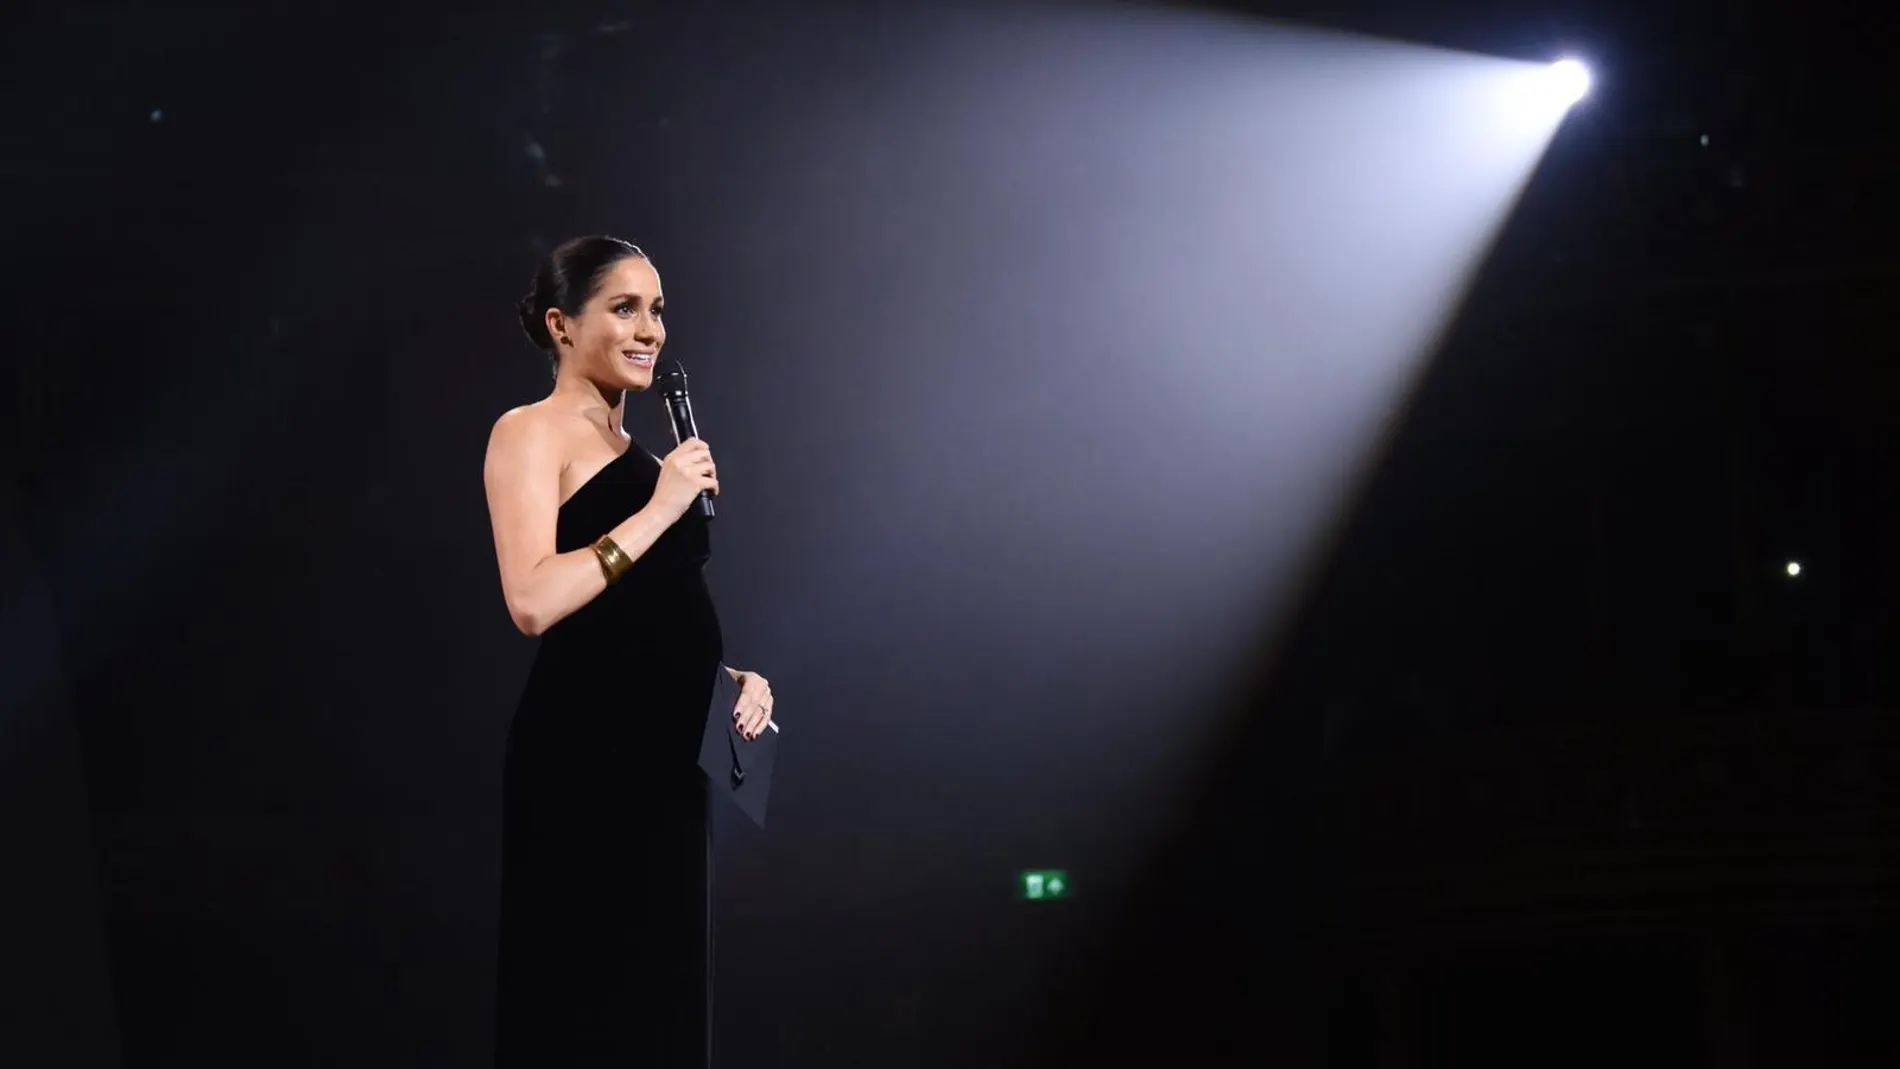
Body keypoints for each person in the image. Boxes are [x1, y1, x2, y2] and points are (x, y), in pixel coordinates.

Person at [483, 235, 773, 1065]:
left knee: (662, 1008)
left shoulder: (647, 457)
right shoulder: (529, 433)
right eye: (624, 307)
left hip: (668, 767)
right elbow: (533, 600)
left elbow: (642, 622)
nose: (650, 329)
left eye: (656, 310)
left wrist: (731, 680)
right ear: (561, 325)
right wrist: (658, 506)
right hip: (585, 764)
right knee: (589, 1007)